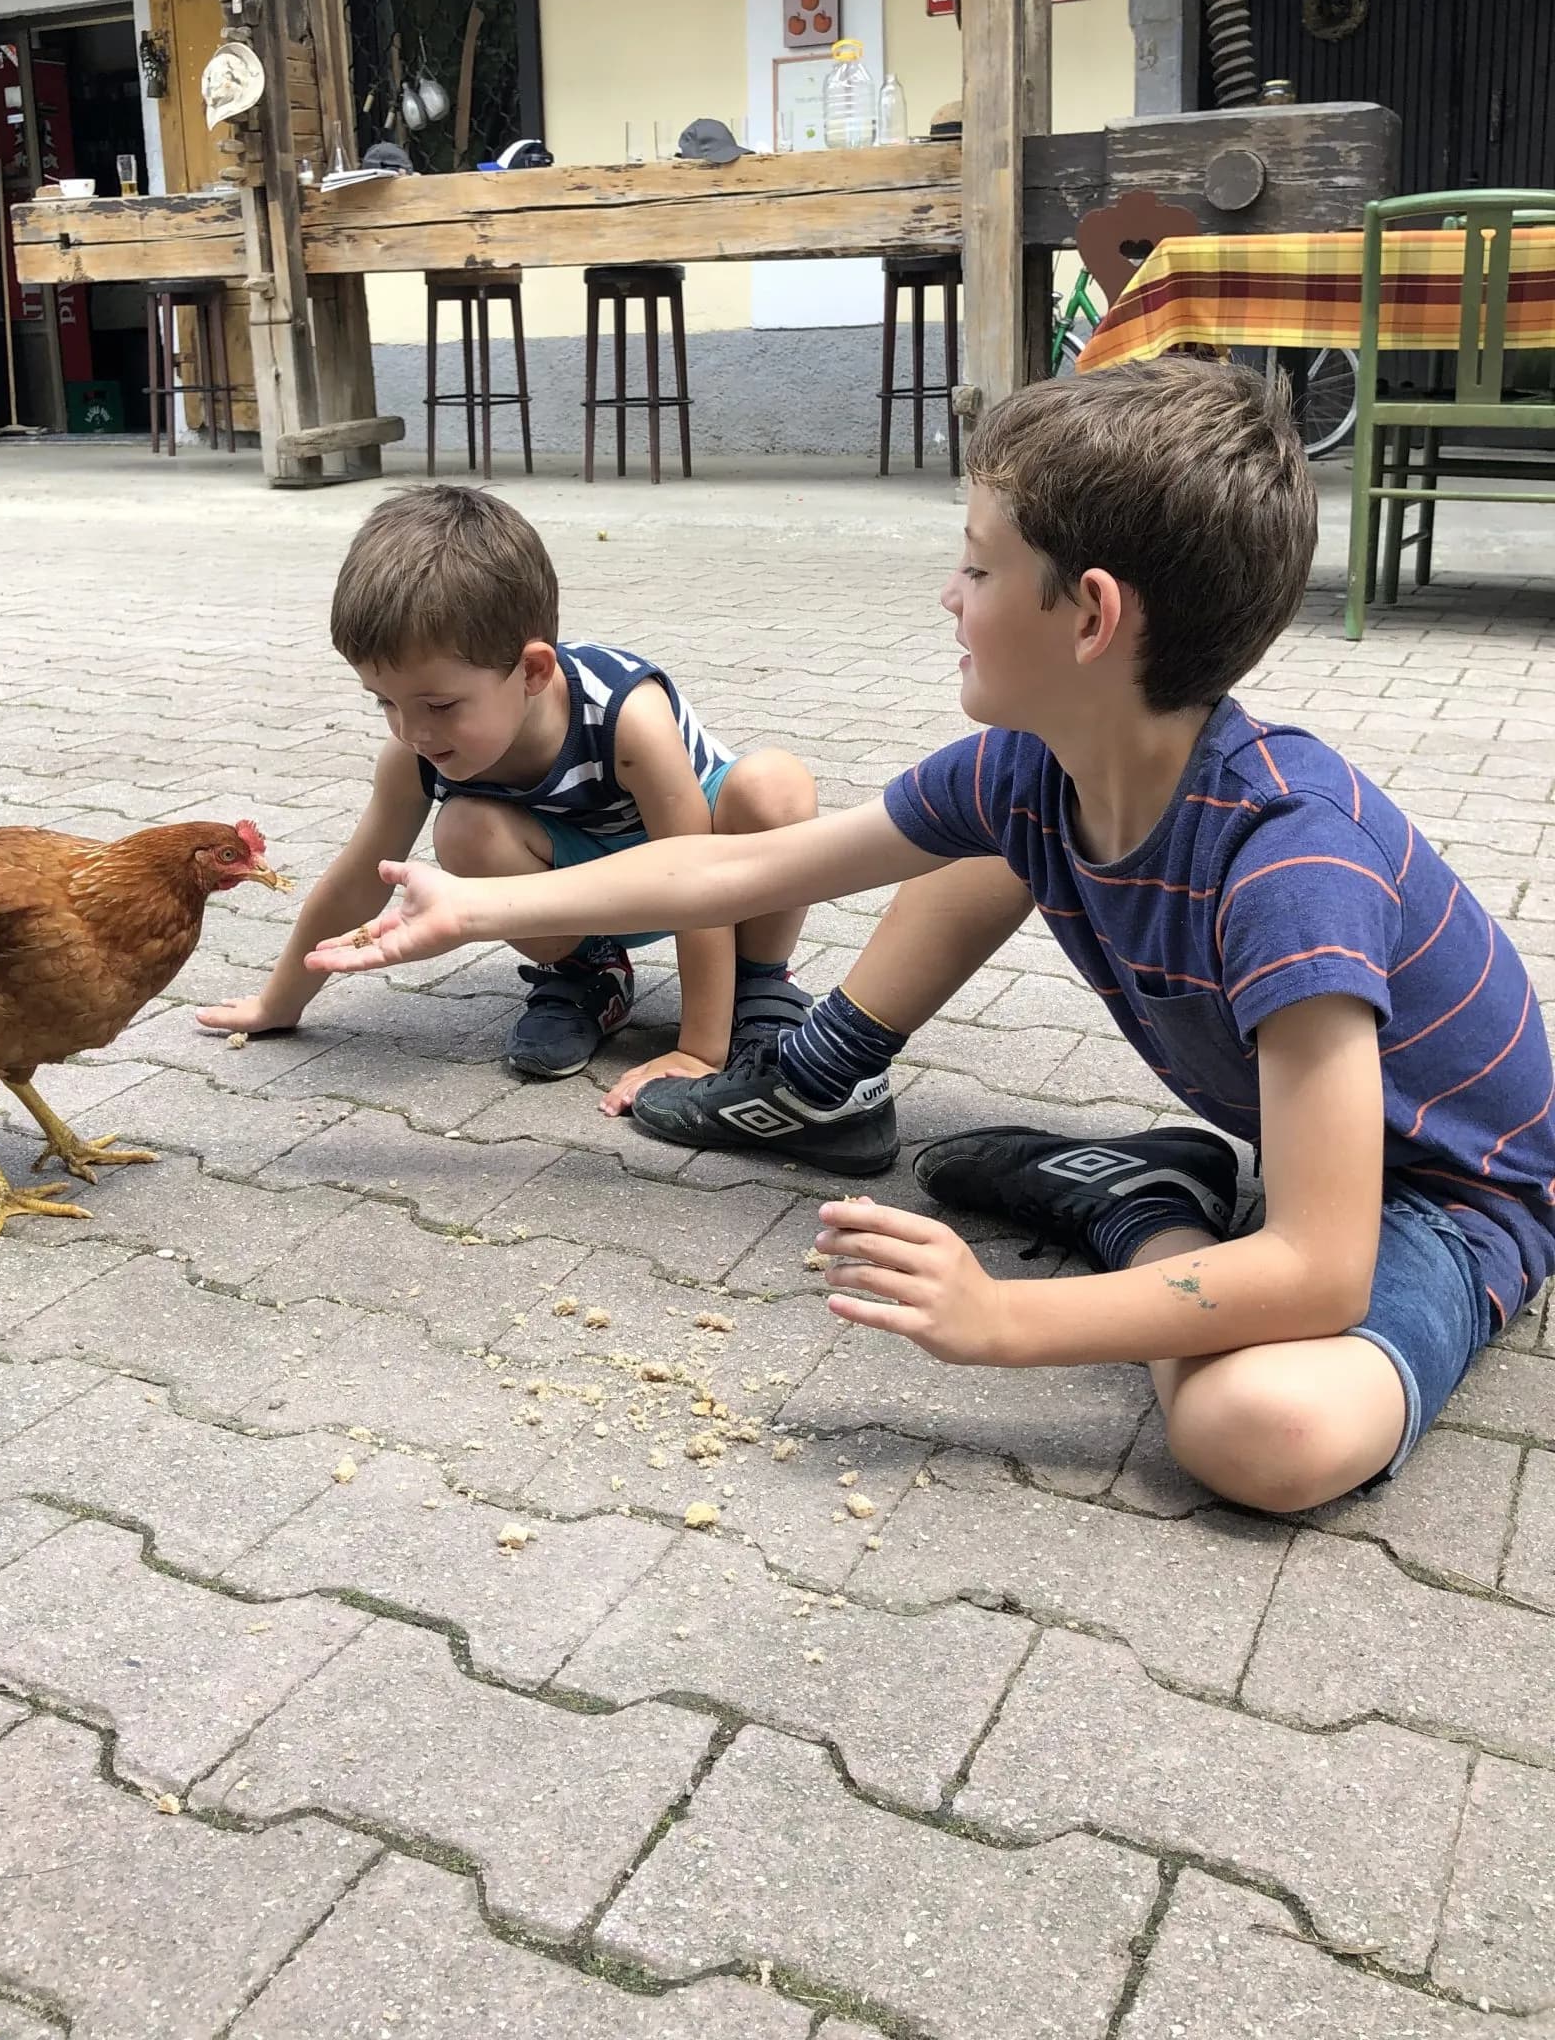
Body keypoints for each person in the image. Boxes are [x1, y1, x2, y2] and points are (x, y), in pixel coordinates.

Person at [303, 362, 1555, 1514]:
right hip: (1312, 1159)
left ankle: (1150, 1213)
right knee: (1000, 831)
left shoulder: (1292, 861)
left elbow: (1324, 1270)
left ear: (1091, 617)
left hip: (1447, 1194)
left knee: (1257, 1435)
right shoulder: (1037, 765)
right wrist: (478, 909)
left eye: (976, 567)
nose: (946, 595)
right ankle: (1107, 1181)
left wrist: (999, 1319)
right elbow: (745, 864)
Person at [198, 484, 818, 1107]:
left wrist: (697, 1050)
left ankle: (756, 986)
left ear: (532, 671)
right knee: (464, 830)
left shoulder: (626, 715)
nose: (412, 731)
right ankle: (589, 973)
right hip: (582, 894)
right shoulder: (416, 754)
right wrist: (277, 1002)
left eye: (439, 705)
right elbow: (359, 878)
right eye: (385, 701)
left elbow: (695, 877)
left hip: (709, 870)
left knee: (776, 785)